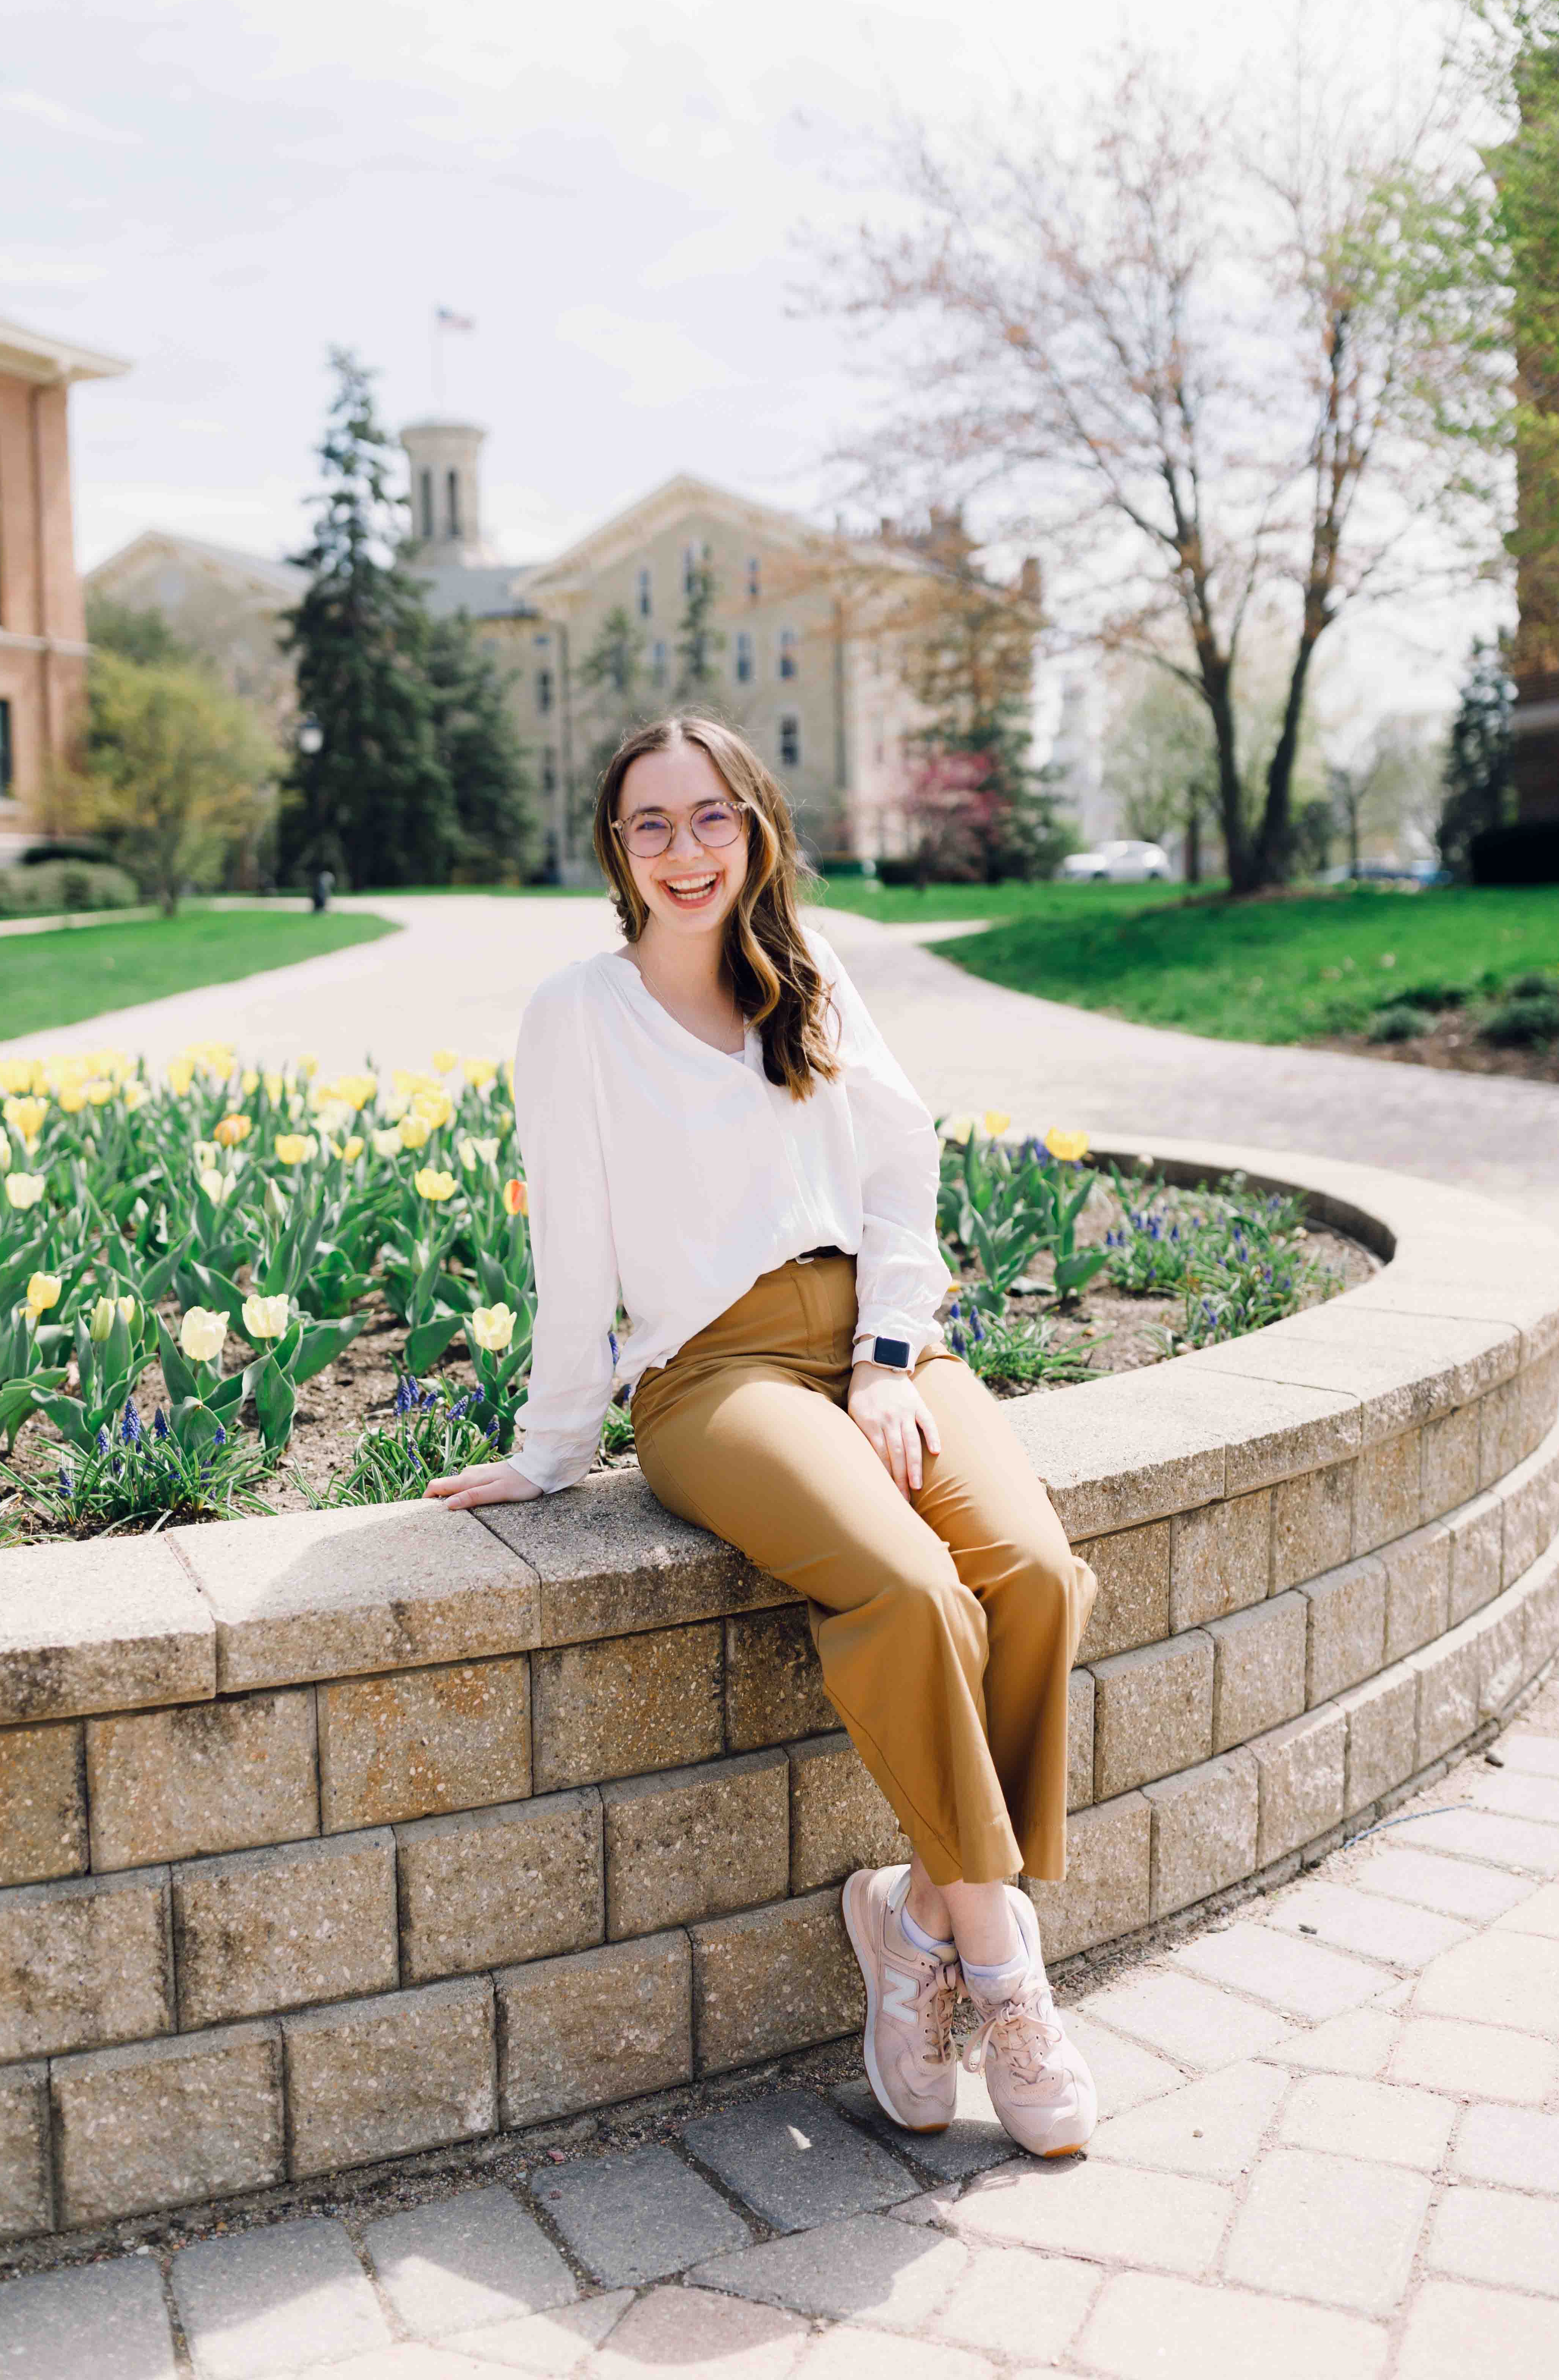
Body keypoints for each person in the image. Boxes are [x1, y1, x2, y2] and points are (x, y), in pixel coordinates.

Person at [429, 711, 1099, 2157]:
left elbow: (899, 1174)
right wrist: (553, 1448)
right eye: (651, 824)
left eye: (712, 817)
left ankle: (907, 1918)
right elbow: (578, 1252)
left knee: (1038, 1577)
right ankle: (1001, 1963)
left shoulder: (808, 973)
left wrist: (888, 1359)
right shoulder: (579, 1014)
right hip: (712, 1379)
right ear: (617, 848)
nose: (686, 851)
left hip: (873, 1347)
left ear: (759, 826)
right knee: (910, 1591)